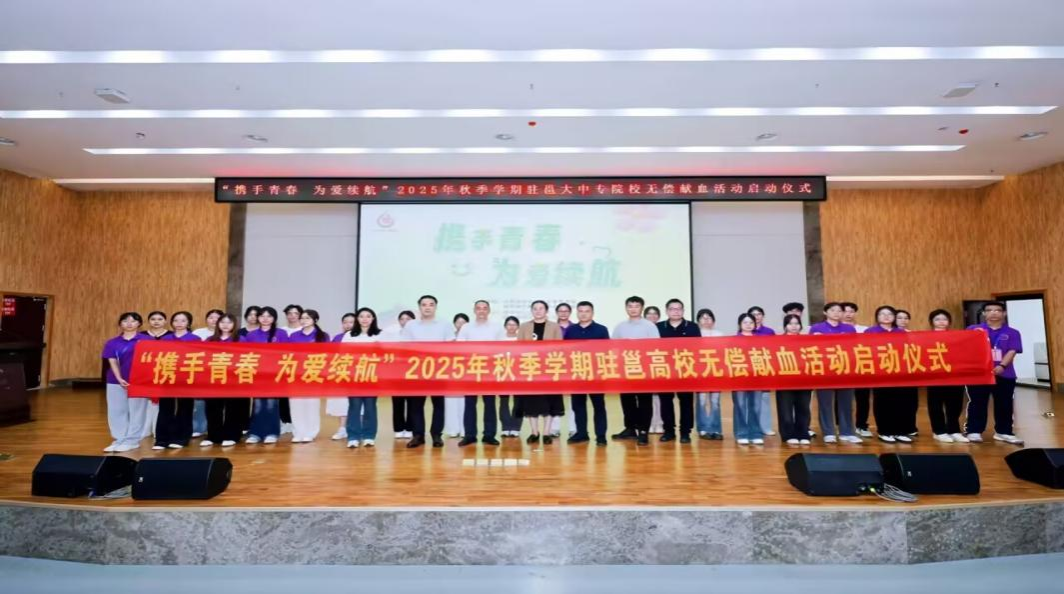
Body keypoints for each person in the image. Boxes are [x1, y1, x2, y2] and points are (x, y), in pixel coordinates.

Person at [965, 302, 1024, 445]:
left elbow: (1012, 351)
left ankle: (1004, 432)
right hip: (979, 374)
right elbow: (966, 348)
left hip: (1005, 374)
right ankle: (974, 430)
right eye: (989, 310)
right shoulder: (973, 329)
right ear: (984, 313)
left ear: (1004, 313)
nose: (993, 313)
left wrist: (1002, 365)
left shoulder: (1013, 332)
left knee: (1005, 403)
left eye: (997, 310)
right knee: (977, 402)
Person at [401, 295, 455, 448]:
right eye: (424, 305)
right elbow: (404, 346)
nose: (427, 307)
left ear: (435, 307)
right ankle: (418, 435)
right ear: (419, 307)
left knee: (439, 404)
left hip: (439, 370)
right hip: (416, 370)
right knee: (416, 405)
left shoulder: (444, 324)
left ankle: (436, 435)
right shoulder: (411, 325)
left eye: (431, 304)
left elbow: (451, 345)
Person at [809, 302, 862, 444]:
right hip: (824, 371)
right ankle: (828, 432)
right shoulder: (816, 328)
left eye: (839, 311)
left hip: (845, 370)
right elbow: (810, 348)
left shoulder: (849, 329)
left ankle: (847, 432)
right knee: (825, 403)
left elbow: (855, 348)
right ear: (825, 312)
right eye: (833, 310)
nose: (836, 313)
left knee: (846, 403)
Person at [611, 296, 660, 446]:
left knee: (644, 401)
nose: (633, 309)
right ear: (626, 308)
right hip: (625, 369)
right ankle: (630, 428)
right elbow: (613, 347)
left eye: (636, 306)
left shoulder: (649, 326)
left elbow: (656, 347)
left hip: (644, 370)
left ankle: (643, 431)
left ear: (642, 308)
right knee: (627, 401)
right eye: (630, 306)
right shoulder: (620, 327)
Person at [456, 300, 505, 446]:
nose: (481, 311)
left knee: (490, 403)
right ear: (474, 310)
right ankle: (470, 435)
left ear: (488, 311)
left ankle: (489, 435)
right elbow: (459, 347)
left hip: (490, 370)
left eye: (484, 308)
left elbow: (503, 347)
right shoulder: (466, 327)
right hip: (471, 369)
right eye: (478, 308)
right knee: (469, 403)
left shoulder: (497, 327)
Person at [514, 300, 565, 445]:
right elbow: (518, 348)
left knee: (549, 402)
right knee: (531, 402)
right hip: (530, 369)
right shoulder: (524, 327)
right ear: (531, 311)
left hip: (549, 369)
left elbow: (559, 348)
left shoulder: (554, 327)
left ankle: (547, 432)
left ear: (546, 311)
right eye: (535, 308)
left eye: (541, 308)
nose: (538, 311)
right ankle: (534, 432)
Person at [153, 311, 202, 450]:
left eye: (183, 321)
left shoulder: (195, 339)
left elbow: (200, 359)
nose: (179, 323)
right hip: (167, 377)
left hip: (186, 378)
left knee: (185, 408)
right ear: (172, 323)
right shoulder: (166, 339)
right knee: (165, 408)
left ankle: (181, 438)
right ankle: (162, 439)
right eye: (176, 320)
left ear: (189, 323)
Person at [655, 298, 701, 443]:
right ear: (667, 311)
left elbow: (698, 348)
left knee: (686, 402)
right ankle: (669, 431)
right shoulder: (658, 327)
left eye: (678, 309)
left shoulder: (692, 327)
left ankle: (685, 432)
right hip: (665, 370)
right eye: (672, 309)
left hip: (686, 370)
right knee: (665, 402)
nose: (676, 311)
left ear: (683, 310)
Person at [864, 306, 912, 443]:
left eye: (889, 314)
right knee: (882, 401)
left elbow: (907, 351)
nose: (886, 316)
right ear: (877, 317)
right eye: (882, 314)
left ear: (894, 317)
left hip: (898, 372)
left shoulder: (900, 332)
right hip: (880, 372)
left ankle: (899, 431)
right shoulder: (870, 331)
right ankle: (884, 431)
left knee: (900, 401)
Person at [565, 301, 610, 445]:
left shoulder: (601, 330)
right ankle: (582, 433)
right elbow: (565, 352)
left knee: (599, 406)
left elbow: (607, 352)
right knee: (578, 406)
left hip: (596, 375)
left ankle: (601, 436)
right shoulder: (571, 330)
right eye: (581, 311)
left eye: (587, 311)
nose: (583, 314)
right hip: (577, 374)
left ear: (592, 313)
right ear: (577, 313)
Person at [102, 312, 146, 453]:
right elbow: (112, 361)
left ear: (139, 324)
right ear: (120, 324)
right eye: (125, 321)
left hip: (139, 382)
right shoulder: (112, 342)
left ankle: (132, 440)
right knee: (116, 411)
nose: (129, 323)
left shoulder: (147, 340)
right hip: (115, 381)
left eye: (133, 321)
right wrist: (119, 378)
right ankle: (119, 439)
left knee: (137, 411)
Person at [202, 314, 247, 447]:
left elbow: (245, 358)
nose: (226, 325)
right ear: (218, 324)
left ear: (234, 325)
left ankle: (232, 435)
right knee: (213, 409)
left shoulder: (240, 340)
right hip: (214, 379)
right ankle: (213, 436)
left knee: (233, 409)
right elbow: (204, 358)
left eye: (229, 322)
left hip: (234, 379)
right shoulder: (210, 340)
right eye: (222, 322)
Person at [245, 306, 288, 444]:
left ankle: (272, 432)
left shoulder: (281, 334)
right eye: (262, 316)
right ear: (258, 318)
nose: (265, 319)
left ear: (274, 319)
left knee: (271, 404)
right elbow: (247, 355)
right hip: (257, 374)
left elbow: (287, 354)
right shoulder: (251, 335)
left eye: (269, 316)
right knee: (257, 405)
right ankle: (255, 433)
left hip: (274, 374)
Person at [286, 309, 330, 443]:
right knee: (296, 405)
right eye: (302, 318)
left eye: (308, 318)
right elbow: (288, 354)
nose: (304, 320)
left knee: (311, 404)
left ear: (315, 320)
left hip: (313, 374)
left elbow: (327, 355)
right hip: (296, 374)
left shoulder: (322, 336)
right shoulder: (294, 336)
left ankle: (311, 432)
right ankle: (298, 432)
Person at [926, 309, 969, 443]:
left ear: (949, 322)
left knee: (955, 404)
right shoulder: (925, 337)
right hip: (934, 376)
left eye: (944, 319)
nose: (941, 322)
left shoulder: (957, 336)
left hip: (955, 375)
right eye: (937, 319)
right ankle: (939, 431)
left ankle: (954, 430)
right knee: (936, 404)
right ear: (932, 322)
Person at [343, 307, 380, 448]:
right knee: (354, 406)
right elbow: (343, 355)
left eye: (368, 316)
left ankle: (369, 436)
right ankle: (353, 436)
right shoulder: (349, 335)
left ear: (373, 319)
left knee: (370, 406)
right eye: (361, 316)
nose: (365, 319)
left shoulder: (380, 335)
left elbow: (386, 355)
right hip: (354, 376)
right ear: (357, 319)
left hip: (372, 375)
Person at [776, 314, 812, 445]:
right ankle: (788, 434)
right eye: (790, 323)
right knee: (785, 410)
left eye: (796, 323)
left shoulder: (807, 341)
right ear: (785, 326)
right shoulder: (777, 341)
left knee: (803, 408)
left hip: (804, 380)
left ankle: (803, 433)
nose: (794, 326)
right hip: (784, 381)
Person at [138, 310, 172, 438]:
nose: (156, 322)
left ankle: (159, 429)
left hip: (165, 371)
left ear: (165, 321)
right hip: (145, 372)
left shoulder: (171, 335)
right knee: (145, 401)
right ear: (148, 321)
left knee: (162, 402)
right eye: (153, 319)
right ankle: (144, 429)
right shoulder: (141, 335)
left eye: (160, 319)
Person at [841, 301, 873, 438]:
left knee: (863, 398)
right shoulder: (836, 329)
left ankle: (861, 425)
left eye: (851, 311)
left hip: (861, 368)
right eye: (845, 311)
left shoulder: (864, 329)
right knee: (842, 399)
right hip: (842, 368)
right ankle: (842, 425)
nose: (848, 314)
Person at [190, 309, 223, 438]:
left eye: (217, 318)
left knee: (218, 403)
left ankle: (216, 428)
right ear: (206, 319)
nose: (214, 320)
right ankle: (199, 427)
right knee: (200, 402)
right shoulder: (198, 333)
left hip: (220, 372)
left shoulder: (227, 334)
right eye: (211, 317)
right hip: (202, 372)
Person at [733, 313, 765, 445]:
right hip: (739, 378)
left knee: (756, 406)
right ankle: (741, 433)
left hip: (757, 377)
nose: (748, 325)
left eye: (751, 322)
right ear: (740, 324)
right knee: (740, 406)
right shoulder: (734, 340)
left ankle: (755, 433)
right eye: (745, 322)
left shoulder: (760, 340)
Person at [695, 308, 724, 440]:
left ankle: (716, 429)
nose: (706, 320)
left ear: (713, 320)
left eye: (709, 317)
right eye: (703, 317)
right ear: (698, 321)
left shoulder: (720, 334)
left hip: (716, 371)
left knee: (715, 401)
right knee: (701, 401)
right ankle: (703, 428)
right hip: (700, 372)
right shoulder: (695, 334)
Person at [328, 312, 358, 441]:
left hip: (358, 374)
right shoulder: (337, 338)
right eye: (345, 322)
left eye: (351, 322)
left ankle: (357, 428)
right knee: (341, 403)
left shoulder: (361, 337)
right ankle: (342, 429)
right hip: (341, 373)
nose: (348, 325)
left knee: (358, 404)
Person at [748, 306, 777, 437]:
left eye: (759, 314)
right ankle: (752, 427)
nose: (756, 317)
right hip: (749, 371)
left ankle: (765, 427)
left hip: (765, 369)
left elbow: (775, 350)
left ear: (763, 316)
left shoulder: (769, 332)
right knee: (751, 401)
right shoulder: (745, 332)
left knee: (764, 399)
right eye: (753, 314)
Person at [388, 310, 417, 439]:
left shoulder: (417, 335)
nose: (405, 321)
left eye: (408, 319)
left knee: (412, 403)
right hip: (396, 373)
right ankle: (399, 428)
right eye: (402, 319)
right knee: (397, 402)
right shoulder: (392, 335)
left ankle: (410, 428)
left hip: (413, 373)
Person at [443, 313, 471, 438]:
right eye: (458, 322)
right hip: (450, 373)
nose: (461, 325)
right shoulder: (449, 338)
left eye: (463, 322)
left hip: (467, 373)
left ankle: (465, 429)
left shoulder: (471, 337)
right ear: (454, 324)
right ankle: (452, 429)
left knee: (465, 403)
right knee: (451, 402)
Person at [277, 304, 304, 434]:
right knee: (283, 396)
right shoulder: (280, 331)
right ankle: (285, 421)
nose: (292, 316)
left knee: (298, 397)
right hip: (282, 368)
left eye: (296, 313)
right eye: (289, 313)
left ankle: (298, 422)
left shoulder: (304, 330)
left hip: (299, 369)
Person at [893, 308, 920, 436]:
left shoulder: (913, 334)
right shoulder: (889, 334)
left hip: (911, 371)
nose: (903, 320)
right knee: (897, 400)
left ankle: (910, 426)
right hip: (894, 371)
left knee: (912, 401)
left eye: (906, 318)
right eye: (899, 318)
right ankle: (897, 426)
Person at [550, 303, 574, 438]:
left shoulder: (575, 328)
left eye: (566, 311)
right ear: (556, 313)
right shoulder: (551, 328)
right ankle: (554, 428)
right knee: (555, 398)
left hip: (572, 366)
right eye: (560, 311)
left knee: (574, 399)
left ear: (570, 313)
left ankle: (573, 428)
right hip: (555, 366)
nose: (563, 313)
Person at [498, 316, 522, 438]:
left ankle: (516, 427)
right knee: (504, 401)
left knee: (518, 401)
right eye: (509, 324)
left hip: (518, 373)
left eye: (514, 324)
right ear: (505, 326)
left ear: (518, 326)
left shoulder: (521, 339)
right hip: (503, 372)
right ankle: (505, 427)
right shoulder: (499, 339)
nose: (511, 327)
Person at [643, 305, 664, 434]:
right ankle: (650, 423)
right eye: (649, 314)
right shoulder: (642, 328)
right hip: (645, 366)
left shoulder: (662, 328)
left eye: (655, 314)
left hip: (660, 366)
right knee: (648, 398)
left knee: (659, 398)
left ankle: (660, 423)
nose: (652, 316)